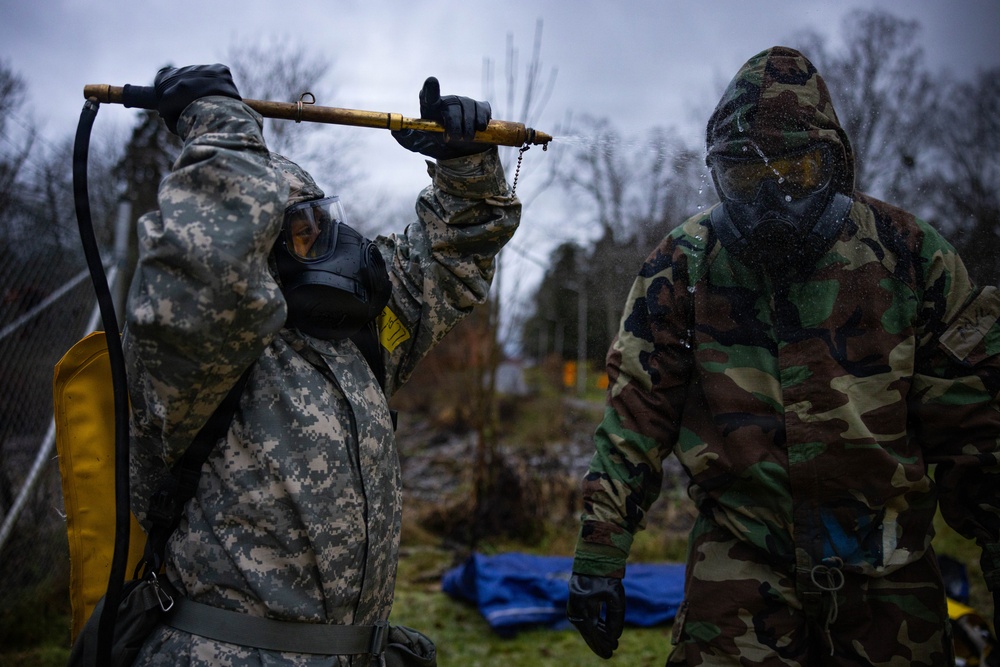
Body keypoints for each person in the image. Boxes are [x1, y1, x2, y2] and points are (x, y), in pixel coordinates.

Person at [567, 46, 1000, 666]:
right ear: (719, 173)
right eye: (746, 178)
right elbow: (636, 416)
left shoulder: (909, 257)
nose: (772, 203)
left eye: (794, 175)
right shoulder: (684, 264)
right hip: (739, 571)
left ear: (833, 166)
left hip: (888, 579)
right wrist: (599, 556)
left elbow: (977, 431)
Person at [123, 64, 520, 665]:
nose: (317, 247)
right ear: (255, 237)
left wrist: (465, 163)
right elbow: (207, 264)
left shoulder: (356, 340)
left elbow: (449, 257)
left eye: (318, 226)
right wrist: (222, 128)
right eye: (293, 231)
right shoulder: (199, 343)